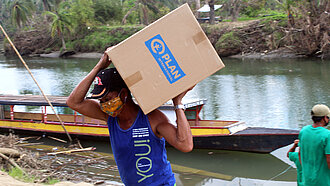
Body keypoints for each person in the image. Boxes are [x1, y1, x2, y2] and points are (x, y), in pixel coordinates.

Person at [66, 48, 193, 186]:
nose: (104, 105)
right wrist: (100, 66)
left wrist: (178, 104)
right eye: (101, 101)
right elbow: (73, 102)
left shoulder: (152, 118)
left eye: (107, 98)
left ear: (124, 94)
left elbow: (185, 145)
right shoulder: (110, 118)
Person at [298, 104, 330, 186]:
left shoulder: (303, 131)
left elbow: (299, 153)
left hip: (307, 179)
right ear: (325, 118)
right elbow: (329, 159)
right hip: (323, 181)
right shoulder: (327, 135)